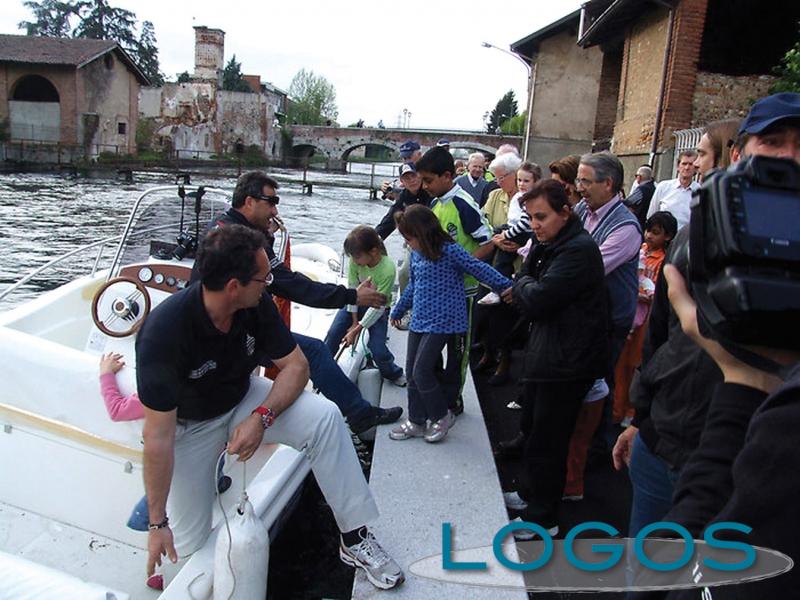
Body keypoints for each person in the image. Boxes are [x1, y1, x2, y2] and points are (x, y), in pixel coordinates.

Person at [137, 225, 404, 590]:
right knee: (188, 543)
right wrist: (156, 523)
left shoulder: (255, 303)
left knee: (324, 418)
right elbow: (157, 437)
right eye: (264, 278)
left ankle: (354, 538)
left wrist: (261, 418)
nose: (270, 284)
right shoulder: (164, 334)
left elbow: (296, 367)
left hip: (243, 398)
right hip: (189, 425)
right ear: (234, 286)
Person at [612, 92, 800, 538]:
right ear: (740, 155)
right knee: (648, 569)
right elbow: (662, 337)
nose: (791, 158)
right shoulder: (695, 236)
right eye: (774, 142)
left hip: (755, 459)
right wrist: (642, 421)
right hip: (665, 443)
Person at [209, 172, 403, 435]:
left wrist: (266, 236)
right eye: (271, 201)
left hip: (241, 327)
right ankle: (356, 413)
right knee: (313, 352)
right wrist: (351, 296)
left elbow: (272, 273)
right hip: (236, 337)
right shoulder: (239, 242)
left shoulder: (225, 228)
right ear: (249, 201)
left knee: (313, 351)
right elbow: (289, 285)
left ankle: (356, 411)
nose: (276, 209)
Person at [501, 179, 609, 538]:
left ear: (565, 212)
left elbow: (536, 296)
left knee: (548, 441)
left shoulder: (576, 251)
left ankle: (542, 518)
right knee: (534, 431)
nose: (535, 225)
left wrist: (521, 284)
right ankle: (530, 494)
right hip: (550, 353)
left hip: (566, 363)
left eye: (541, 217)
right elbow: (528, 276)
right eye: (531, 218)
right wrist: (525, 282)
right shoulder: (554, 243)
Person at [388, 205, 512, 443]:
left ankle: (441, 416)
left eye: (409, 238)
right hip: (420, 318)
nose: (407, 243)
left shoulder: (449, 250)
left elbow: (477, 268)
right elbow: (413, 285)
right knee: (412, 373)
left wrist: (506, 286)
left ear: (423, 233)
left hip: (444, 320)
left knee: (422, 371)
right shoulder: (416, 254)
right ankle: (416, 420)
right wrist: (399, 308)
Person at [98, 353, 230, 534]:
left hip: (181, 456)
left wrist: (106, 374)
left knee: (156, 502)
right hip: (206, 447)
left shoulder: (158, 391)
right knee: (209, 471)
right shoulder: (214, 382)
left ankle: (146, 525)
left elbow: (117, 410)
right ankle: (217, 484)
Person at [415, 146, 494, 414]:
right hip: (438, 292)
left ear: (447, 176)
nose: (424, 186)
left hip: (463, 293)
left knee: (457, 351)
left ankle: (453, 400)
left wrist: (462, 267)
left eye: (428, 180)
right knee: (433, 348)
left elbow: (489, 241)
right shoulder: (436, 204)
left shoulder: (463, 204)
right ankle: (435, 392)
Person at [611, 211, 677, 426]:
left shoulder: (666, 262)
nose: (649, 236)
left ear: (667, 236)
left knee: (634, 366)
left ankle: (630, 410)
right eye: (648, 230)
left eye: (655, 233)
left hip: (646, 321)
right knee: (620, 364)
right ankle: (616, 409)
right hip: (630, 313)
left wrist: (641, 292)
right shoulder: (639, 251)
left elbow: (658, 293)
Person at [324, 225, 405, 386]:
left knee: (378, 349)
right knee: (333, 334)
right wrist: (354, 321)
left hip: (378, 309)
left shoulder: (388, 269)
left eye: (357, 256)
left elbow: (378, 307)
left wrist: (356, 330)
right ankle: (324, 370)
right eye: (352, 257)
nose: (354, 261)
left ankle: (393, 372)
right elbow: (352, 291)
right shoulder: (356, 262)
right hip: (356, 302)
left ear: (374, 251)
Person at [646, 150, 700, 229]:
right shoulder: (663, 187)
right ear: (678, 167)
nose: (687, 167)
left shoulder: (700, 191)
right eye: (684, 164)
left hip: (687, 239)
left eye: (691, 164)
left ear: (695, 168)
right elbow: (651, 215)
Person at [623, 165, 656, 230]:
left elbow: (629, 202)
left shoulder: (642, 189)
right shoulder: (653, 187)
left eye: (636, 176)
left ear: (639, 177)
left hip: (639, 221)